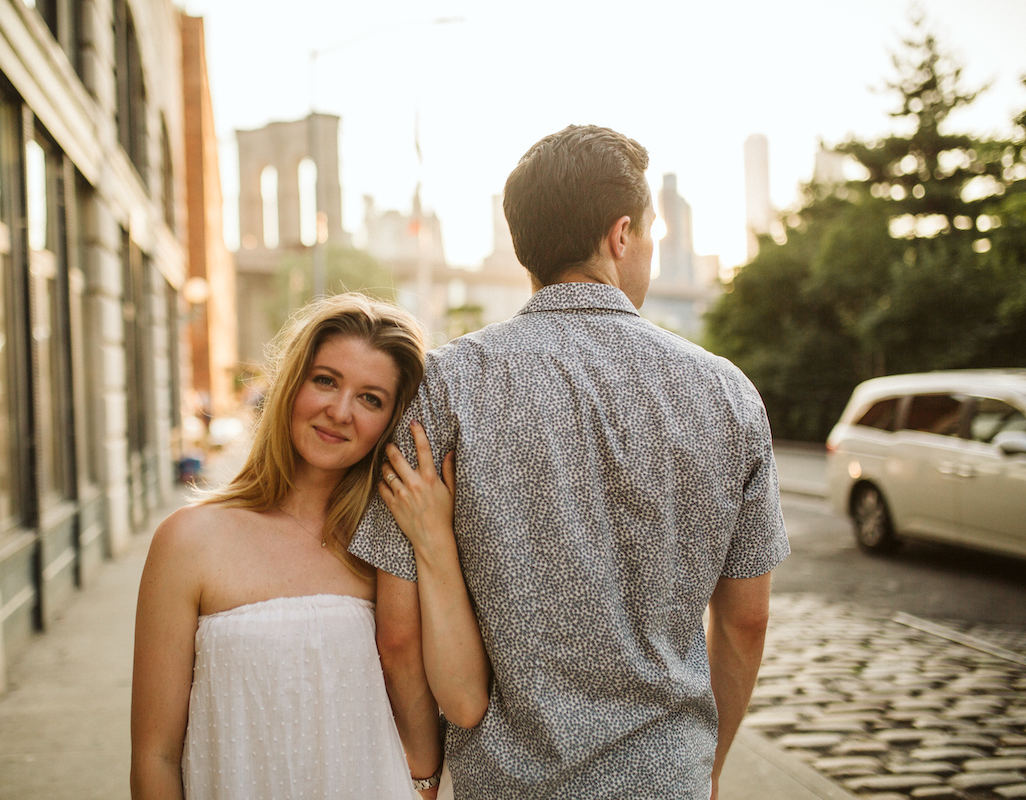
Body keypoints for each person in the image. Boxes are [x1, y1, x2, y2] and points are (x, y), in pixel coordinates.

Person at [350, 125, 791, 799]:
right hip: (665, 781)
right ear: (620, 237)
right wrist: (709, 768)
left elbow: (400, 636)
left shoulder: (442, 389)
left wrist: (425, 773)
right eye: (650, 234)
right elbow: (746, 620)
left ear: (527, 246)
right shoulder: (727, 393)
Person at [129, 292, 488, 800]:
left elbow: (463, 697)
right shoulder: (188, 541)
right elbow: (155, 756)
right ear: (291, 384)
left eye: (371, 398)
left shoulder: (391, 545)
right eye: (325, 380)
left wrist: (434, 540)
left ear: (391, 422)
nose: (340, 411)